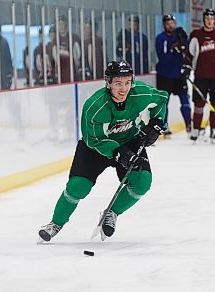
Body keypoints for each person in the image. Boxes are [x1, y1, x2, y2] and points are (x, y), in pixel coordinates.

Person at [38, 60, 169, 242]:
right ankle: (56, 223)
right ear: (108, 83)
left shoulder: (141, 93)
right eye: (118, 83)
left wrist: (157, 123)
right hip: (96, 147)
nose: (123, 89)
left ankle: (112, 212)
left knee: (142, 182)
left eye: (127, 83)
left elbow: (162, 99)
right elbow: (93, 139)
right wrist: (117, 152)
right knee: (78, 186)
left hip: (130, 140)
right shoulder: (95, 105)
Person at [184, 8, 215, 142]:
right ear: (204, 20)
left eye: (212, 19)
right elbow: (189, 54)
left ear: (214, 20)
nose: (209, 21)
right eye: (207, 19)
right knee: (198, 104)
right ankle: (196, 128)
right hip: (201, 75)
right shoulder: (196, 35)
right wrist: (186, 66)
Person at [155, 14, 191, 136]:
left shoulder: (179, 34)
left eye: (172, 23)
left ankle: (189, 125)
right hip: (164, 75)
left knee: (185, 100)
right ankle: (164, 126)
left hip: (179, 74)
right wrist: (174, 48)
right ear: (164, 25)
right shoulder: (160, 38)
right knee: (164, 102)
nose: (170, 25)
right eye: (167, 23)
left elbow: (187, 51)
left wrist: (184, 45)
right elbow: (163, 57)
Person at [55, 15, 82, 83]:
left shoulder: (74, 38)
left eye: (62, 24)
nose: (61, 26)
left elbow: (79, 56)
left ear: (66, 25)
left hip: (74, 74)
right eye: (59, 24)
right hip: (61, 76)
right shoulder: (55, 41)